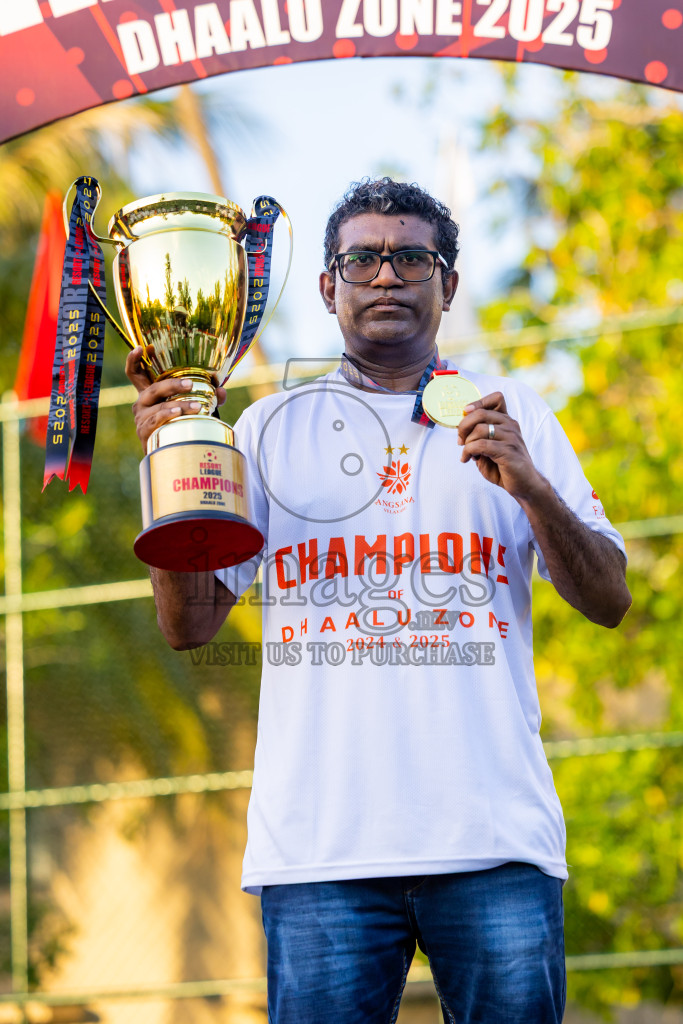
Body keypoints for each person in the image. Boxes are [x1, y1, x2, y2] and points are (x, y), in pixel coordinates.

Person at [126, 178, 631, 1024]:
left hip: (493, 843)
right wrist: (170, 470)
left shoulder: (517, 417)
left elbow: (610, 599)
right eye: (361, 258)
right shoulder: (263, 430)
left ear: (448, 283)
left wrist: (531, 488)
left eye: (410, 257)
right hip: (320, 851)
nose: (386, 276)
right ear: (329, 287)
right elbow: (189, 626)